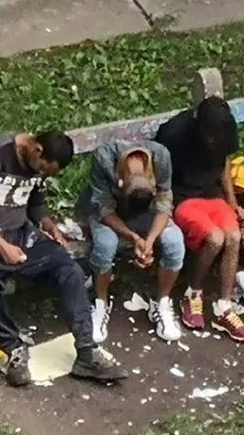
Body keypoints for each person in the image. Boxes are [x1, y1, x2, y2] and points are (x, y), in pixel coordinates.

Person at [0, 130, 129, 387]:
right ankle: (11, 348)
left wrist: (49, 226)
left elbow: (35, 204)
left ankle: (87, 351)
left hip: (22, 234)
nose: (41, 175)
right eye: (42, 169)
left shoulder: (38, 167)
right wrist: (2, 246)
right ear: (37, 150)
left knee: (68, 268)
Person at [154, 95, 244, 342]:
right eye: (210, 137)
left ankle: (224, 307)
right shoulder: (174, 132)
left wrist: (232, 201)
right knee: (214, 238)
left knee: (233, 237)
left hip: (213, 196)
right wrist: (162, 210)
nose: (213, 142)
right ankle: (193, 293)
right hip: (183, 198)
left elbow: (224, 163)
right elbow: (157, 169)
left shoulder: (224, 128)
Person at [76, 140, 185, 344]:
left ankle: (161, 302)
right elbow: (104, 210)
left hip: (149, 213)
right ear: (120, 182)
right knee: (106, 245)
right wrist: (133, 237)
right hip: (112, 213)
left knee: (174, 242)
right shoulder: (104, 158)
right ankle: (100, 303)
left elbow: (164, 206)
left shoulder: (161, 156)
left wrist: (149, 241)